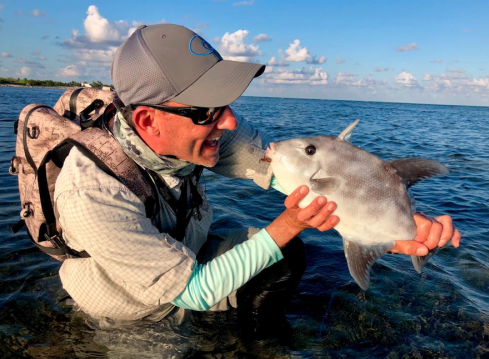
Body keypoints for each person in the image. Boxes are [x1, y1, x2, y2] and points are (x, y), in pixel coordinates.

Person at [54, 24, 461, 329]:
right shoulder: (90, 194)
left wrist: (391, 230)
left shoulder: (200, 134)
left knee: (284, 254)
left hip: (185, 254)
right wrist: (288, 224)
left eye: (226, 102)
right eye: (208, 110)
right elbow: (193, 291)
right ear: (147, 120)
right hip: (128, 308)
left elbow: (285, 176)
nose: (229, 121)